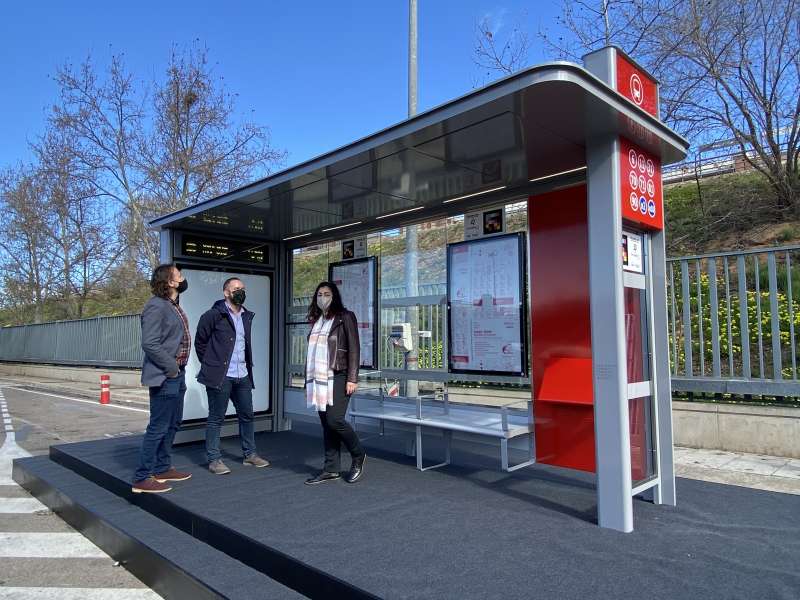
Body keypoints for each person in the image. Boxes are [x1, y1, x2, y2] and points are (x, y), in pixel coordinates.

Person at [194, 277, 270, 474]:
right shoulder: (213, 315)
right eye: (236, 288)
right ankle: (214, 459)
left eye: (242, 288)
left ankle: (250, 455)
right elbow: (200, 342)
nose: (240, 291)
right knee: (216, 418)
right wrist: (212, 365)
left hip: (242, 374)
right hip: (221, 376)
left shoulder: (246, 315)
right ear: (226, 292)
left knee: (247, 415)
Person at [132, 264, 193, 494]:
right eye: (179, 275)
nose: (183, 278)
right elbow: (149, 343)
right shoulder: (156, 305)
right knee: (158, 427)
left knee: (173, 423)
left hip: (177, 374)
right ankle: (142, 477)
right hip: (166, 375)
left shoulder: (172, 305)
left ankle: (162, 468)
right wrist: (171, 368)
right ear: (169, 282)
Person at [304, 281, 366, 485]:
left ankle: (358, 454)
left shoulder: (345, 316)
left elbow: (354, 347)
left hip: (339, 374)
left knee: (334, 420)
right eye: (319, 294)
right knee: (326, 424)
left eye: (327, 294)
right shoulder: (317, 320)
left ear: (334, 296)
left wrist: (352, 378)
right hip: (319, 378)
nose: (323, 298)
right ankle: (331, 468)